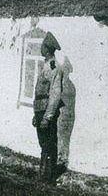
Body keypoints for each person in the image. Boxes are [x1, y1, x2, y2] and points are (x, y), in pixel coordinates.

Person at [32, 32, 63, 184]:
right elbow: (41, 92)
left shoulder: (53, 67)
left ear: (47, 48)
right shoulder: (47, 65)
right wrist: (36, 114)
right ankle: (44, 175)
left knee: (48, 143)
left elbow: (55, 95)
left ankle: (48, 177)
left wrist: (47, 116)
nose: (41, 49)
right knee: (43, 143)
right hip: (41, 111)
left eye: (42, 46)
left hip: (46, 112)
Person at [56, 55, 76, 176]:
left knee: (62, 138)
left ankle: (61, 162)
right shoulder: (71, 85)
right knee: (63, 139)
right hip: (67, 116)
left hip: (64, 115)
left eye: (66, 71)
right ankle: (62, 161)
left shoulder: (64, 86)